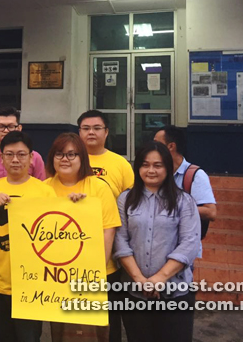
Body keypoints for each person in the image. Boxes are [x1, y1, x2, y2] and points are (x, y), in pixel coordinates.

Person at [0, 131, 56, 342]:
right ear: (2, 158)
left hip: (31, 285)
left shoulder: (44, 191)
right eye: (9, 154)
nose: (15, 159)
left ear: (32, 157)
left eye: (21, 154)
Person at [114, 141, 201, 342]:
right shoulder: (125, 199)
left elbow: (189, 243)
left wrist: (159, 278)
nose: (150, 170)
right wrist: (139, 279)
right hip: (134, 293)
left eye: (157, 165)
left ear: (168, 168)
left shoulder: (184, 201)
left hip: (175, 294)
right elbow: (120, 241)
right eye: (145, 165)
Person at [44, 133, 121, 342]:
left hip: (92, 277)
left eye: (71, 154)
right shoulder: (44, 188)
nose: (65, 159)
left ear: (82, 158)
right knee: (60, 333)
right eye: (59, 154)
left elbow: (109, 230)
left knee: (92, 335)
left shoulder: (98, 187)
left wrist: (94, 272)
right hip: (55, 276)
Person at [77, 109, 133, 342]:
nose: (91, 132)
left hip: (110, 259)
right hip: (72, 257)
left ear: (106, 132)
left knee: (109, 321)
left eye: (97, 128)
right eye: (86, 128)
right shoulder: (69, 159)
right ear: (78, 132)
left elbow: (132, 207)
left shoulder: (120, 164)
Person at [154, 125, 217, 225]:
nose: (153, 149)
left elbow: (211, 212)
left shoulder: (195, 175)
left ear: (171, 146)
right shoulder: (156, 173)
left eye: (157, 144)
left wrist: (173, 209)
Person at [0, 106, 46, 187]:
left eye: (11, 126)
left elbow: (41, 188)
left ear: (19, 128)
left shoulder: (34, 157)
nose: (6, 131)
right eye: (1, 126)